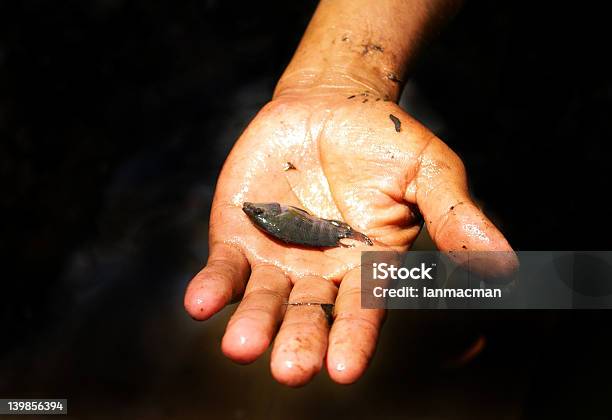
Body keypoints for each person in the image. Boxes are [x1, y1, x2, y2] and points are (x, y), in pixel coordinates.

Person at [184, 0, 513, 387]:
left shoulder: (275, 217)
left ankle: (494, 330)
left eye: (258, 213)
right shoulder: (276, 218)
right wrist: (341, 77)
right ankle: (492, 330)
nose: (259, 212)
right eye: (260, 214)